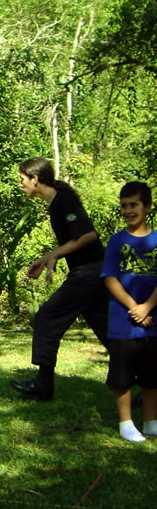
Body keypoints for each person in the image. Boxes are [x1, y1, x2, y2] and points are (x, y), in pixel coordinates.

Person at [10, 157, 109, 401]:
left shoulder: (64, 200)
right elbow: (74, 241)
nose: (21, 184)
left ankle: (43, 384)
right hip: (94, 272)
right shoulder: (55, 204)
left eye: (23, 180)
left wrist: (54, 255)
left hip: (89, 272)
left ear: (35, 179)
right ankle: (144, 383)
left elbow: (88, 235)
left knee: (47, 316)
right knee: (107, 329)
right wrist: (48, 260)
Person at [100, 181, 157, 442]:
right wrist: (135, 308)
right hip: (123, 323)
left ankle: (151, 422)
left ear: (148, 207)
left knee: (151, 376)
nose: (128, 210)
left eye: (134, 205)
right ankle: (126, 424)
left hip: (153, 323)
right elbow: (110, 278)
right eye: (124, 206)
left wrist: (148, 306)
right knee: (122, 377)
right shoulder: (117, 241)